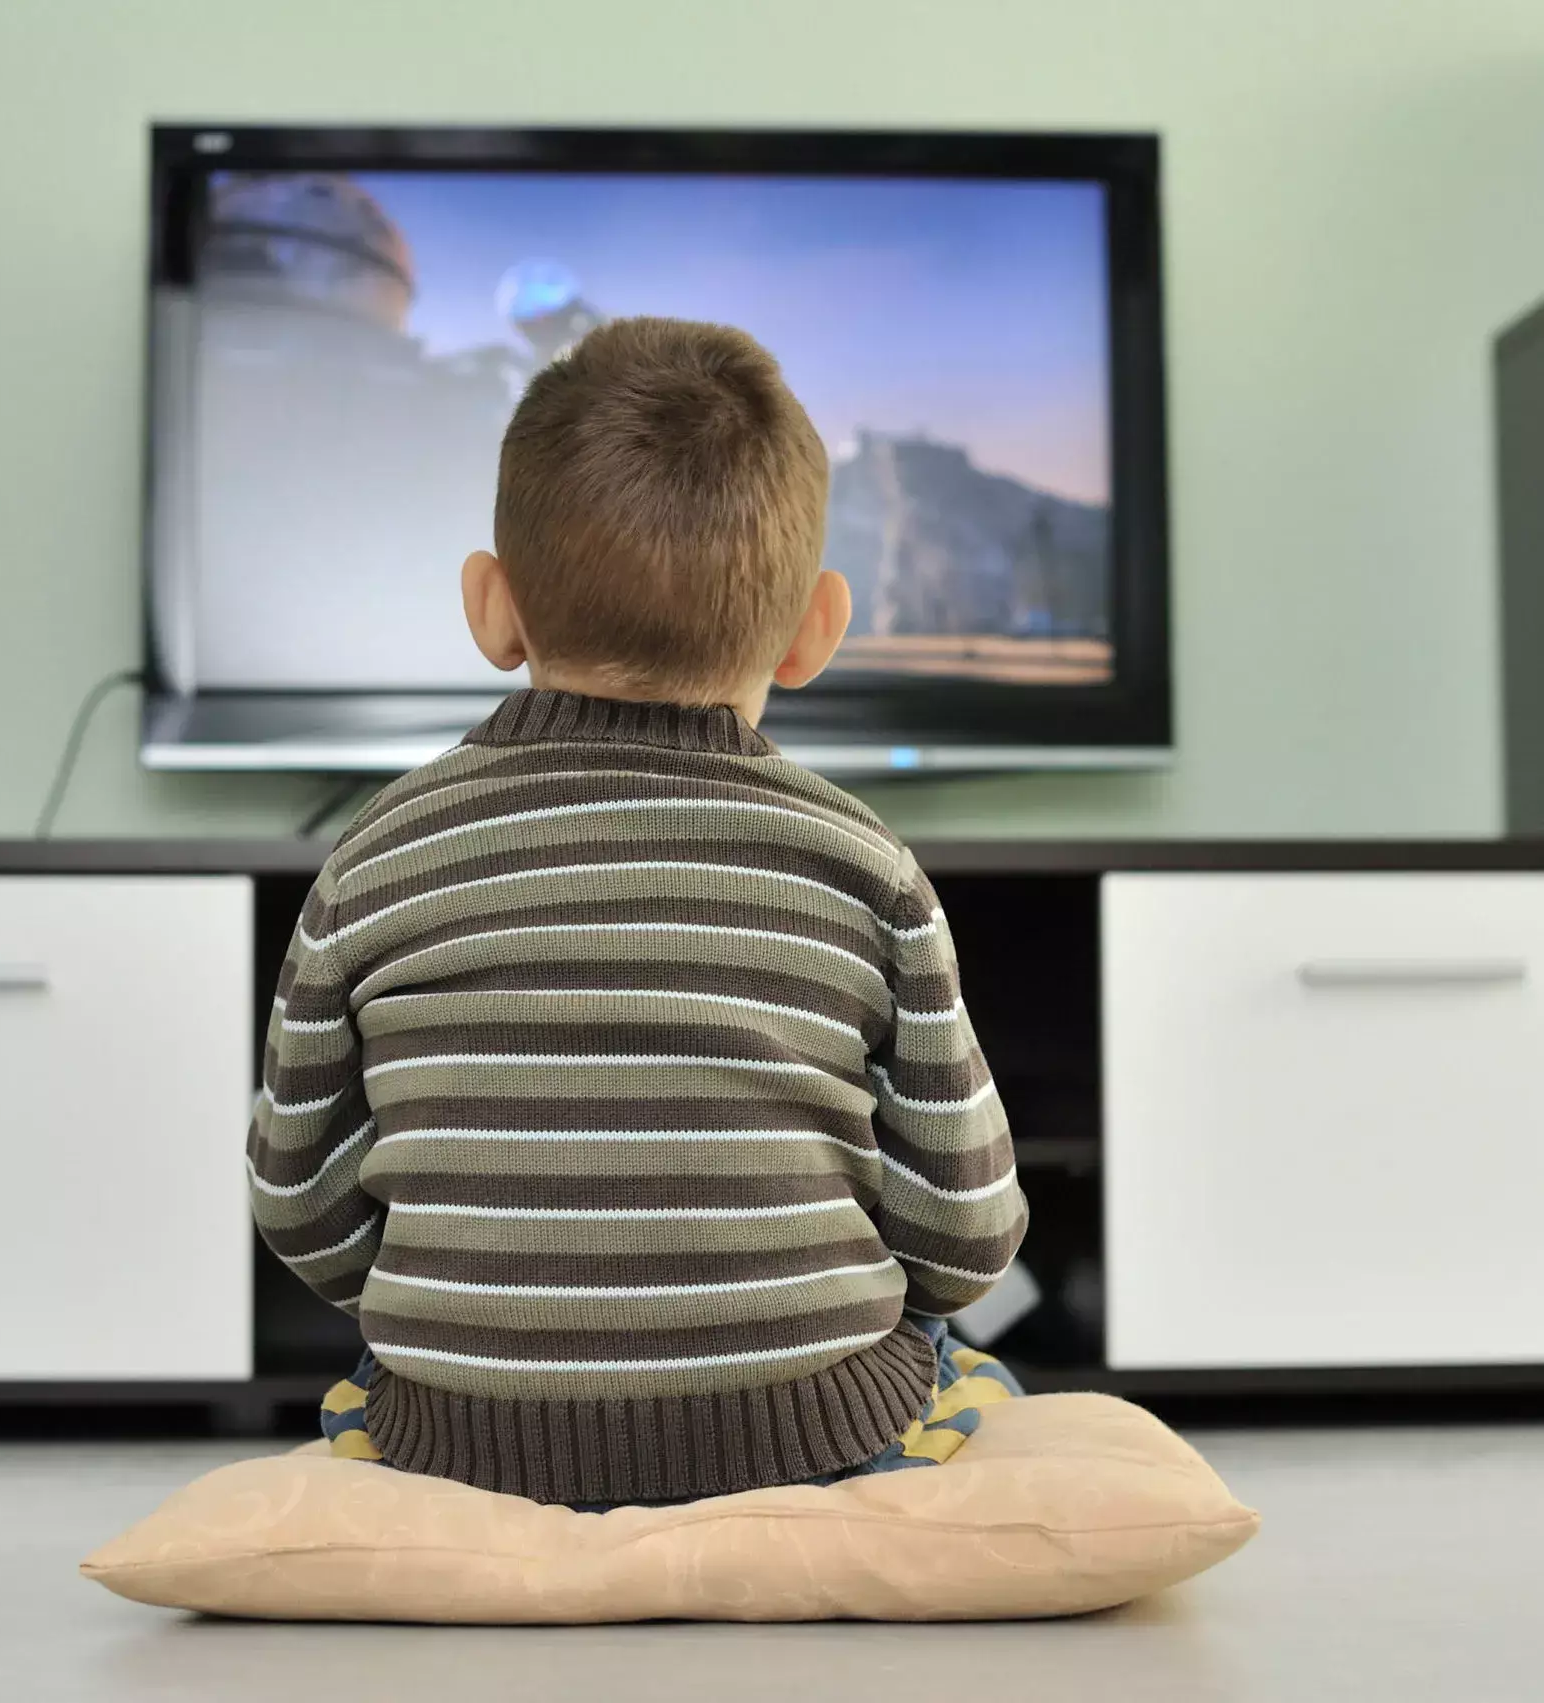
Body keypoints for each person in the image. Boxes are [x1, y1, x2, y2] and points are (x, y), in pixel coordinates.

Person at [248, 317, 1029, 1507]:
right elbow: (964, 1230)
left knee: (361, 1386)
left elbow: (298, 1194)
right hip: (801, 1431)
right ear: (819, 627)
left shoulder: (372, 856)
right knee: (985, 1380)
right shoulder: (862, 866)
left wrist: (473, 1307)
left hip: (459, 1439)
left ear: (490, 605)